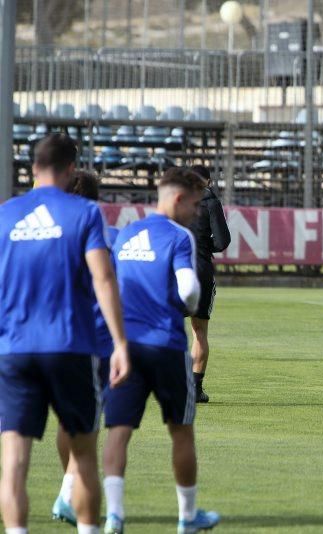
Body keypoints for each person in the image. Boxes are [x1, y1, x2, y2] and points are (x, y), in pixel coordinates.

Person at [0, 134, 130, 534]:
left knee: (14, 459)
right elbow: (103, 276)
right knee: (84, 454)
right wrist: (121, 342)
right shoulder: (83, 213)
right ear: (71, 168)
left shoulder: (5, 214)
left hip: (14, 349)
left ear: (32, 168)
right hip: (70, 345)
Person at [102, 167, 220, 534]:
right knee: (181, 432)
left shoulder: (126, 234)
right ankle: (187, 517)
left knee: (118, 431)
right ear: (178, 198)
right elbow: (187, 289)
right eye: (196, 205)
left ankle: (115, 516)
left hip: (126, 346)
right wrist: (190, 304)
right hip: (166, 345)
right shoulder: (178, 236)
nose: (198, 212)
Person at [51, 170, 122, 526]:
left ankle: (69, 489)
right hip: (103, 342)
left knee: (71, 420)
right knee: (99, 425)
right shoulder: (114, 236)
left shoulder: (56, 236)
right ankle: (72, 496)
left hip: (64, 338)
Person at [187, 164, 230, 403]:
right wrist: (204, 247)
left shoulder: (176, 200)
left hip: (174, 269)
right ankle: (195, 388)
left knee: (168, 328)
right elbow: (223, 241)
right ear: (208, 182)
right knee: (199, 331)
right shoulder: (211, 203)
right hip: (200, 269)